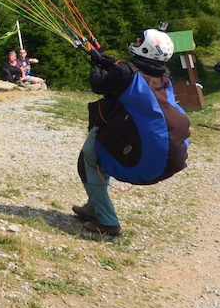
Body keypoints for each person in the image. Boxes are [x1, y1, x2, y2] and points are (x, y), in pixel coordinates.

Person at [71, 29, 185, 236]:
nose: (136, 40)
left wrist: (96, 67)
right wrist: (110, 63)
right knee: (99, 162)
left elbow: (99, 85)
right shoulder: (163, 72)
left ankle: (107, 222)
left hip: (122, 127)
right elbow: (128, 73)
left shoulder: (125, 71)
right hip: (141, 131)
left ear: (147, 48)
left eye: (141, 39)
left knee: (88, 160)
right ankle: (93, 207)